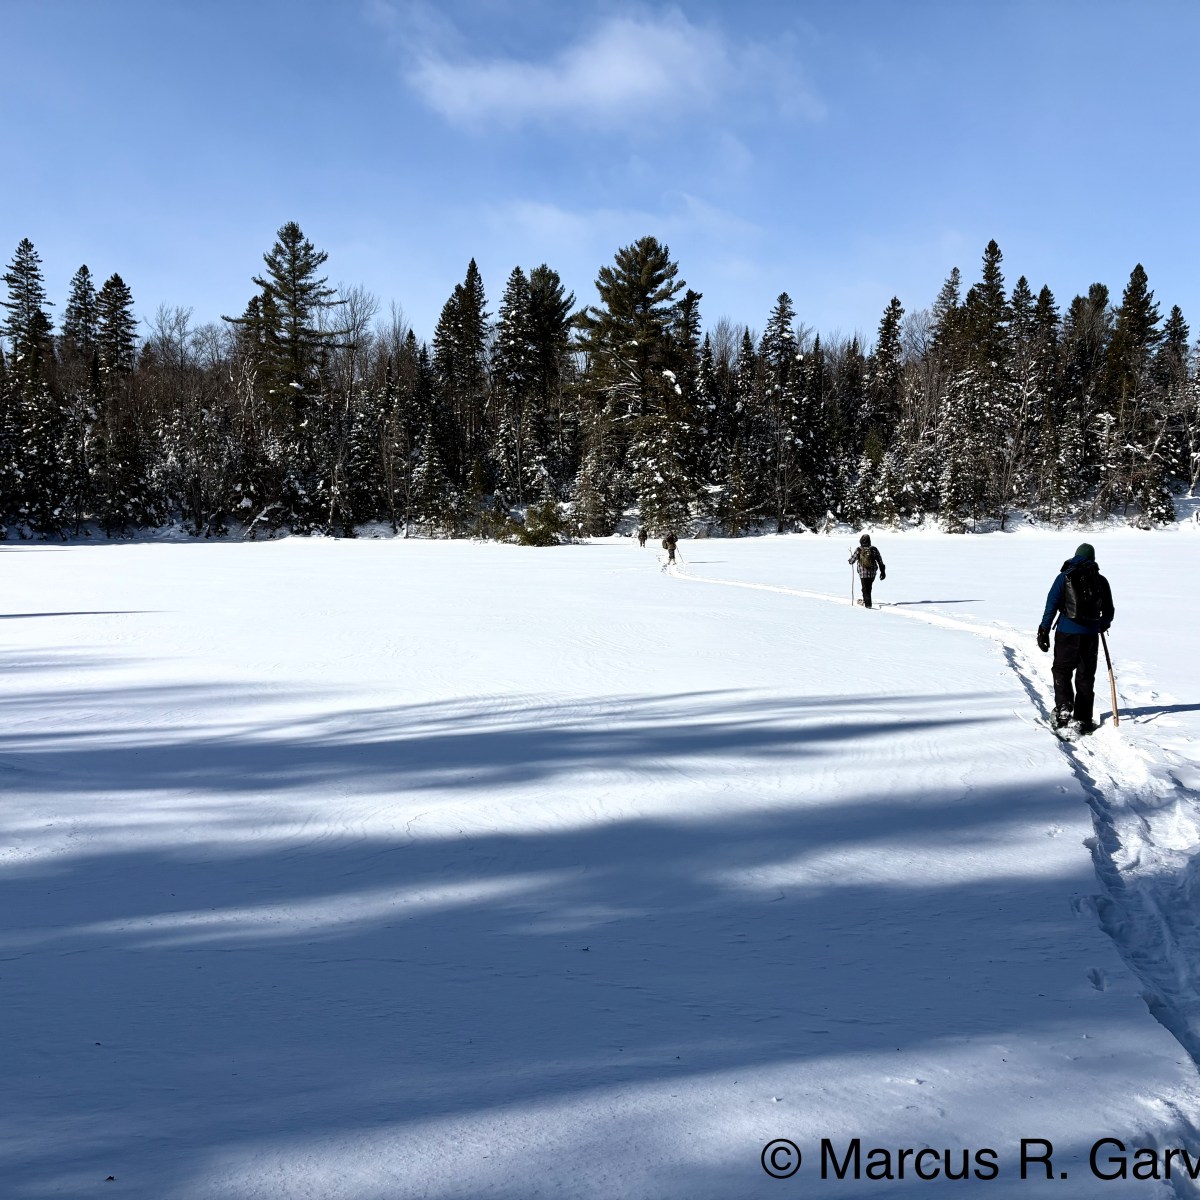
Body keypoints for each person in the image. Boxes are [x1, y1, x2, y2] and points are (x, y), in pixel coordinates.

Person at [1037, 542, 1115, 733]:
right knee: (1085, 676)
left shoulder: (1064, 577)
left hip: (1067, 632)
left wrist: (1044, 629)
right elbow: (1109, 610)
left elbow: (1051, 604)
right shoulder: (1101, 580)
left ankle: (1064, 709)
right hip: (1090, 635)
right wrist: (1102, 624)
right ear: (1093, 559)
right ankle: (1084, 719)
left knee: (1062, 670)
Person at [848, 533, 885, 608]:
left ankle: (868, 606)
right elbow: (880, 561)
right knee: (868, 588)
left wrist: (850, 560)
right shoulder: (874, 549)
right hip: (872, 573)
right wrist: (882, 571)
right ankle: (866, 601)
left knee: (865, 589)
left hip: (863, 573)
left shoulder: (859, 549)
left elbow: (851, 561)